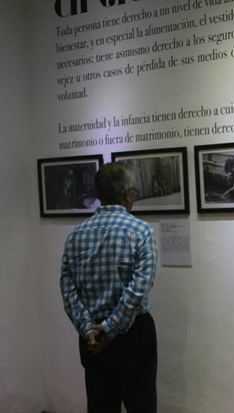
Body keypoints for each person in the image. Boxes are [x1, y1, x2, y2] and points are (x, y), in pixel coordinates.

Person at [60, 162, 158, 413]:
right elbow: (138, 290)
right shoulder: (141, 231)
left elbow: (67, 288)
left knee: (100, 405)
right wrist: (110, 329)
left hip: (92, 337)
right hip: (133, 333)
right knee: (141, 405)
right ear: (127, 194)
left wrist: (89, 329)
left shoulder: (76, 235)